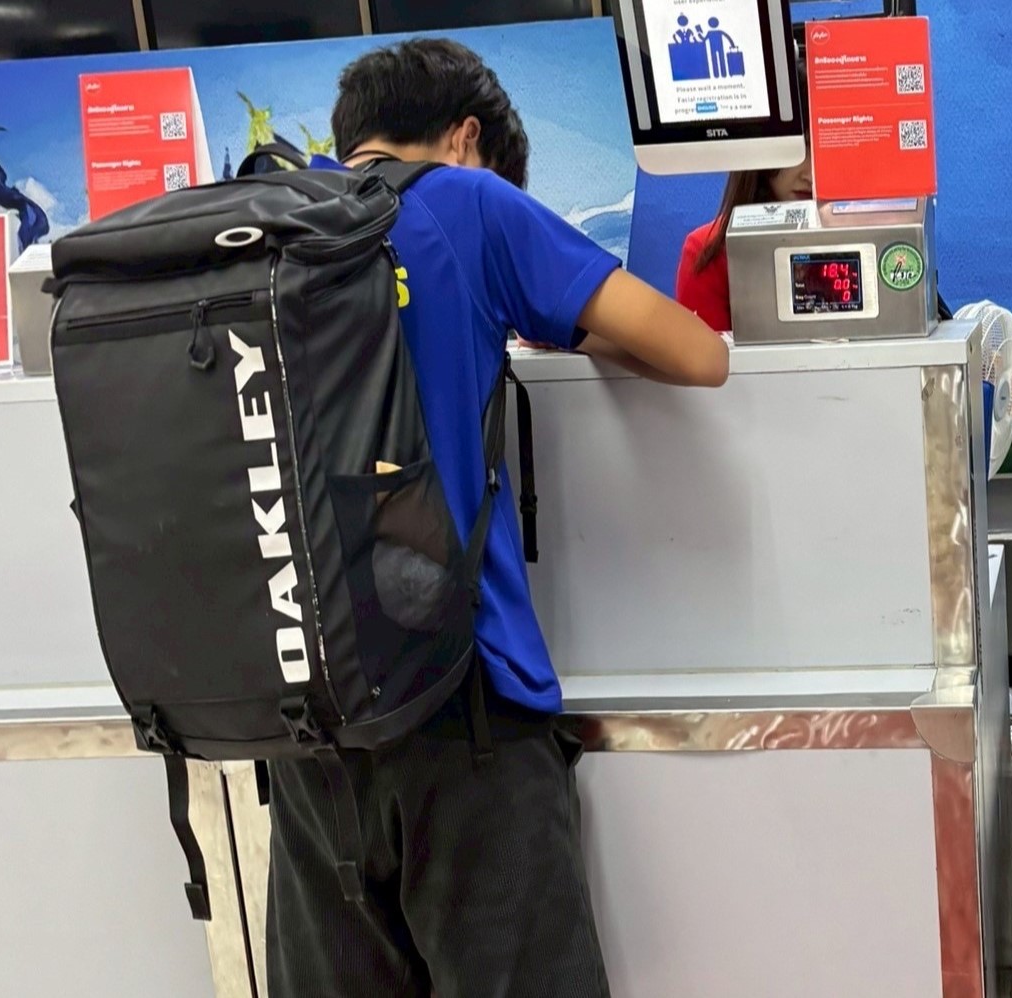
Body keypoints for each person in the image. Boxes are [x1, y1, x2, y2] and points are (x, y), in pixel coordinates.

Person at [267, 38, 728, 998]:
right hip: (463, 709)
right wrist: (547, 313)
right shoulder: (464, 201)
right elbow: (695, 353)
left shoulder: (268, 219)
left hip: (304, 734)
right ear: (466, 138)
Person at [674, 148, 813, 333]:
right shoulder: (708, 252)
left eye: (829, 152)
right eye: (800, 150)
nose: (811, 175)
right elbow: (702, 358)